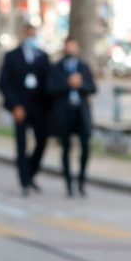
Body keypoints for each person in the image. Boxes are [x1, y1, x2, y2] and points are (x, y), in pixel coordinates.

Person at [0, 24, 52, 196]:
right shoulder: (12, 56)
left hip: (39, 108)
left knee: (41, 141)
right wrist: (14, 106)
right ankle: (24, 181)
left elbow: (48, 83)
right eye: (30, 34)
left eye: (34, 35)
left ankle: (30, 173)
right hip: (20, 107)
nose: (32, 38)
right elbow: (3, 83)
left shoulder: (43, 57)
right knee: (21, 145)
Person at [47, 37, 97, 197]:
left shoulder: (83, 67)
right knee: (66, 149)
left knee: (85, 147)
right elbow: (50, 89)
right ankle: (68, 185)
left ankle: (81, 182)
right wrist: (68, 83)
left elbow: (93, 88)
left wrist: (80, 85)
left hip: (81, 113)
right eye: (69, 46)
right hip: (64, 113)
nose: (71, 49)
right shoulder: (57, 67)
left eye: (74, 46)